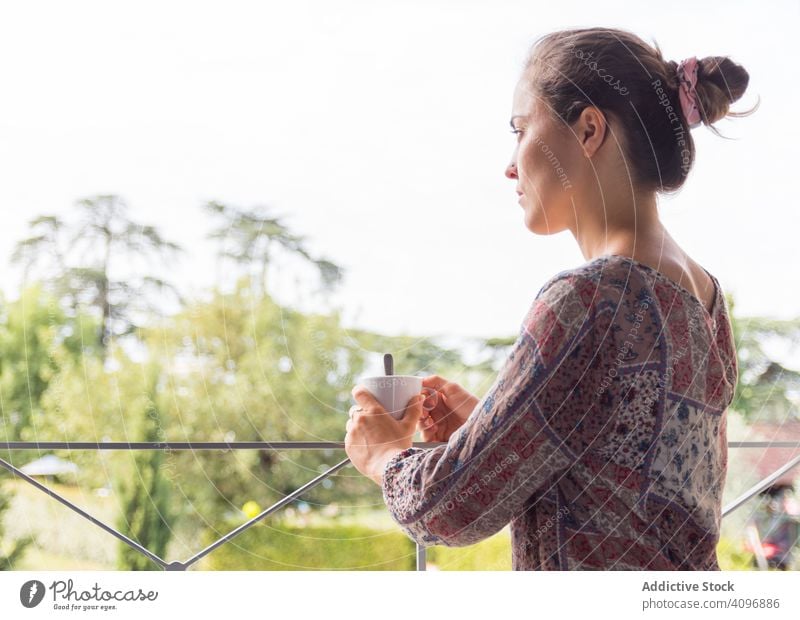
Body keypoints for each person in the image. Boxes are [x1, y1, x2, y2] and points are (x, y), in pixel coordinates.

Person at [344, 26, 754, 570]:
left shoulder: (590, 299)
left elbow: (446, 509)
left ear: (588, 130)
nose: (510, 165)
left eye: (519, 129)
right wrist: (488, 431)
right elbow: (626, 487)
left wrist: (384, 455)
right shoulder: (705, 296)